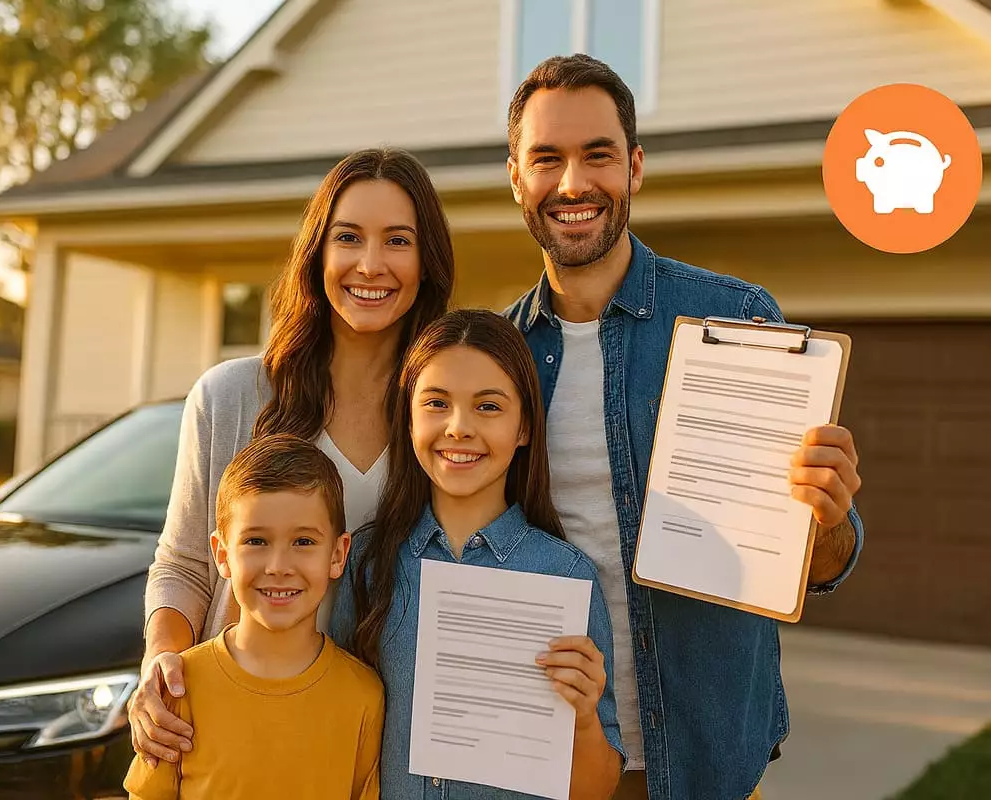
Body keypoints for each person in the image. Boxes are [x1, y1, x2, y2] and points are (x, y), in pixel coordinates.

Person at [502, 55, 866, 800]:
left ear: (635, 167)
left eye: (597, 155)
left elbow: (824, 563)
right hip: (550, 763)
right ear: (516, 178)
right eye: (547, 159)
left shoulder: (738, 322)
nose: (573, 183)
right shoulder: (493, 359)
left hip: (707, 768)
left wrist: (823, 516)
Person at [127, 146, 455, 769]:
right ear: (318, 253)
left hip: (389, 734)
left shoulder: (442, 412)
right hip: (242, 725)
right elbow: (186, 562)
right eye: (349, 237)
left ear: (426, 262)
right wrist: (161, 661)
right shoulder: (230, 397)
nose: (370, 264)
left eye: (398, 240)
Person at [330, 308, 625, 799]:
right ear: (408, 417)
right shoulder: (367, 562)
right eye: (437, 403)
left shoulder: (566, 578)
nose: (459, 427)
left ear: (524, 428)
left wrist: (584, 718)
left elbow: (592, 791)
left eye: (488, 407)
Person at [122, 433, 384, 800]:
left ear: (338, 555)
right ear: (222, 554)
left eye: (304, 542)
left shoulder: (363, 697)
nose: (279, 567)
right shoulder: (180, 687)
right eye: (257, 541)